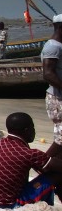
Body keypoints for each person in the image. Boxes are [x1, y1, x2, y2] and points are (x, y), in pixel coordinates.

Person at [0, 112, 62, 208]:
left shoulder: (0, 144)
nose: (34, 131)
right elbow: (55, 167)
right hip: (8, 206)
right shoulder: (28, 154)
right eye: (33, 128)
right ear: (26, 130)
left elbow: (42, 164)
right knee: (55, 176)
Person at [42, 14, 62, 157]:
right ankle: (43, 165)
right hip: (57, 97)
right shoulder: (53, 47)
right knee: (61, 138)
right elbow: (48, 74)